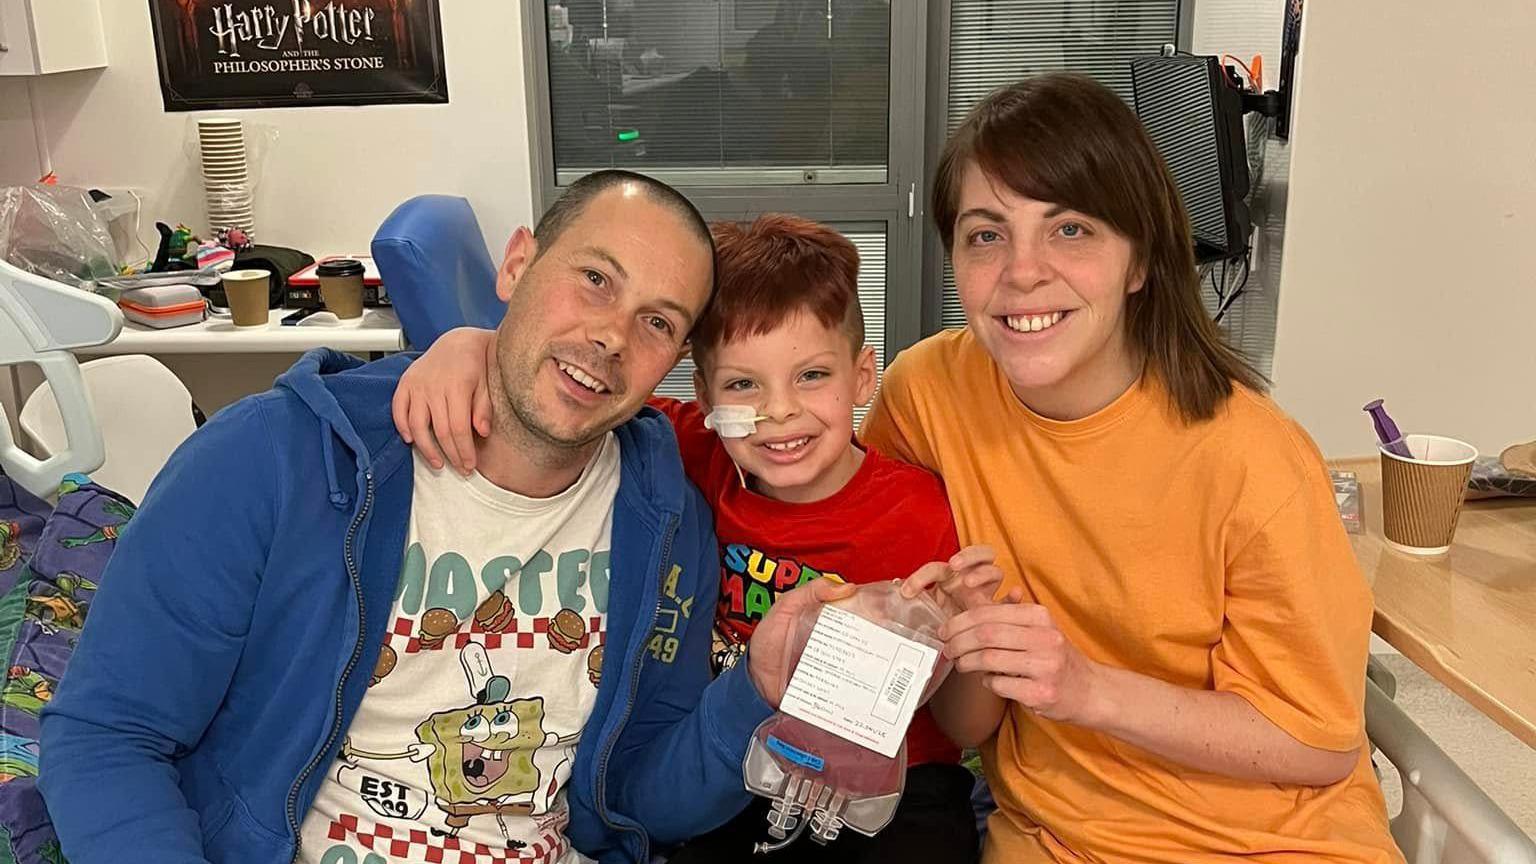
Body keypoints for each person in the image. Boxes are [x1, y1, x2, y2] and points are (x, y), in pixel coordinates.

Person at [38, 170, 849, 864]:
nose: (610, 335)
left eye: (658, 322)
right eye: (595, 279)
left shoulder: (666, 511)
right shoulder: (274, 458)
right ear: (518, 263)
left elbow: (638, 795)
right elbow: (107, 737)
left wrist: (754, 690)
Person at [864, 75, 1404, 862]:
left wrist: (1086, 690)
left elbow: (1317, 744)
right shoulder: (928, 395)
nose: (1022, 271)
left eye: (1072, 229)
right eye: (986, 234)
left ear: (1140, 261)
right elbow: (864, 549)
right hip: (1057, 838)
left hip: (1277, 841)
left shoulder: (1253, 458)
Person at [394, 214, 992, 863]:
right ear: (705, 395)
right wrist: (468, 346)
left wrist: (969, 629)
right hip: (740, 769)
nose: (779, 411)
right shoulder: (688, 454)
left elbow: (966, 726)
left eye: (812, 376)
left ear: (862, 376)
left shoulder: (917, 513)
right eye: (743, 385)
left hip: (892, 789)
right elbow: (577, 397)